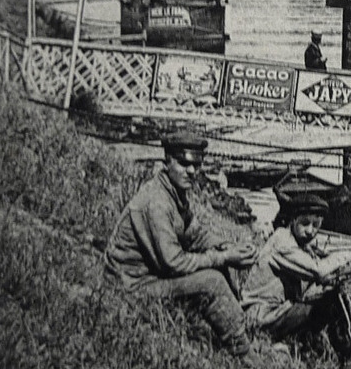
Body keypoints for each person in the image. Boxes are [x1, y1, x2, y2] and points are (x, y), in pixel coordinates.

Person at [105, 132, 257, 356]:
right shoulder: (156, 202)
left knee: (219, 264)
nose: (192, 172)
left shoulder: (173, 193)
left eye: (196, 164)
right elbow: (173, 263)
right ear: (167, 161)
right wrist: (222, 257)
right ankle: (243, 354)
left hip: (150, 276)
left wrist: (227, 247)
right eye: (184, 164)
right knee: (212, 281)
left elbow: (194, 235)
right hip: (130, 285)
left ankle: (239, 332)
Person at [239, 190, 351, 359]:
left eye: (316, 225)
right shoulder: (282, 242)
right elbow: (318, 270)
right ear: (293, 220)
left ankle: (332, 350)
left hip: (276, 311)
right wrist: (349, 255)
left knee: (330, 298)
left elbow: (317, 281)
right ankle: (340, 355)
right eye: (305, 223)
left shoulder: (301, 246)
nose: (310, 231)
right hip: (260, 316)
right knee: (328, 305)